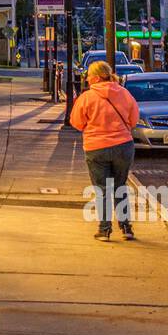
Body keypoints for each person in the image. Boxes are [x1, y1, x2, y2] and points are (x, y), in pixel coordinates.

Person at [67, 60, 140, 241]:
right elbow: (134, 119)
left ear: (97, 77)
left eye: (89, 76)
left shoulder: (87, 97)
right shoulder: (125, 93)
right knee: (120, 187)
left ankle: (104, 229)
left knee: (102, 189)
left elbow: (76, 122)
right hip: (123, 145)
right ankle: (126, 228)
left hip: (96, 147)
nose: (87, 79)